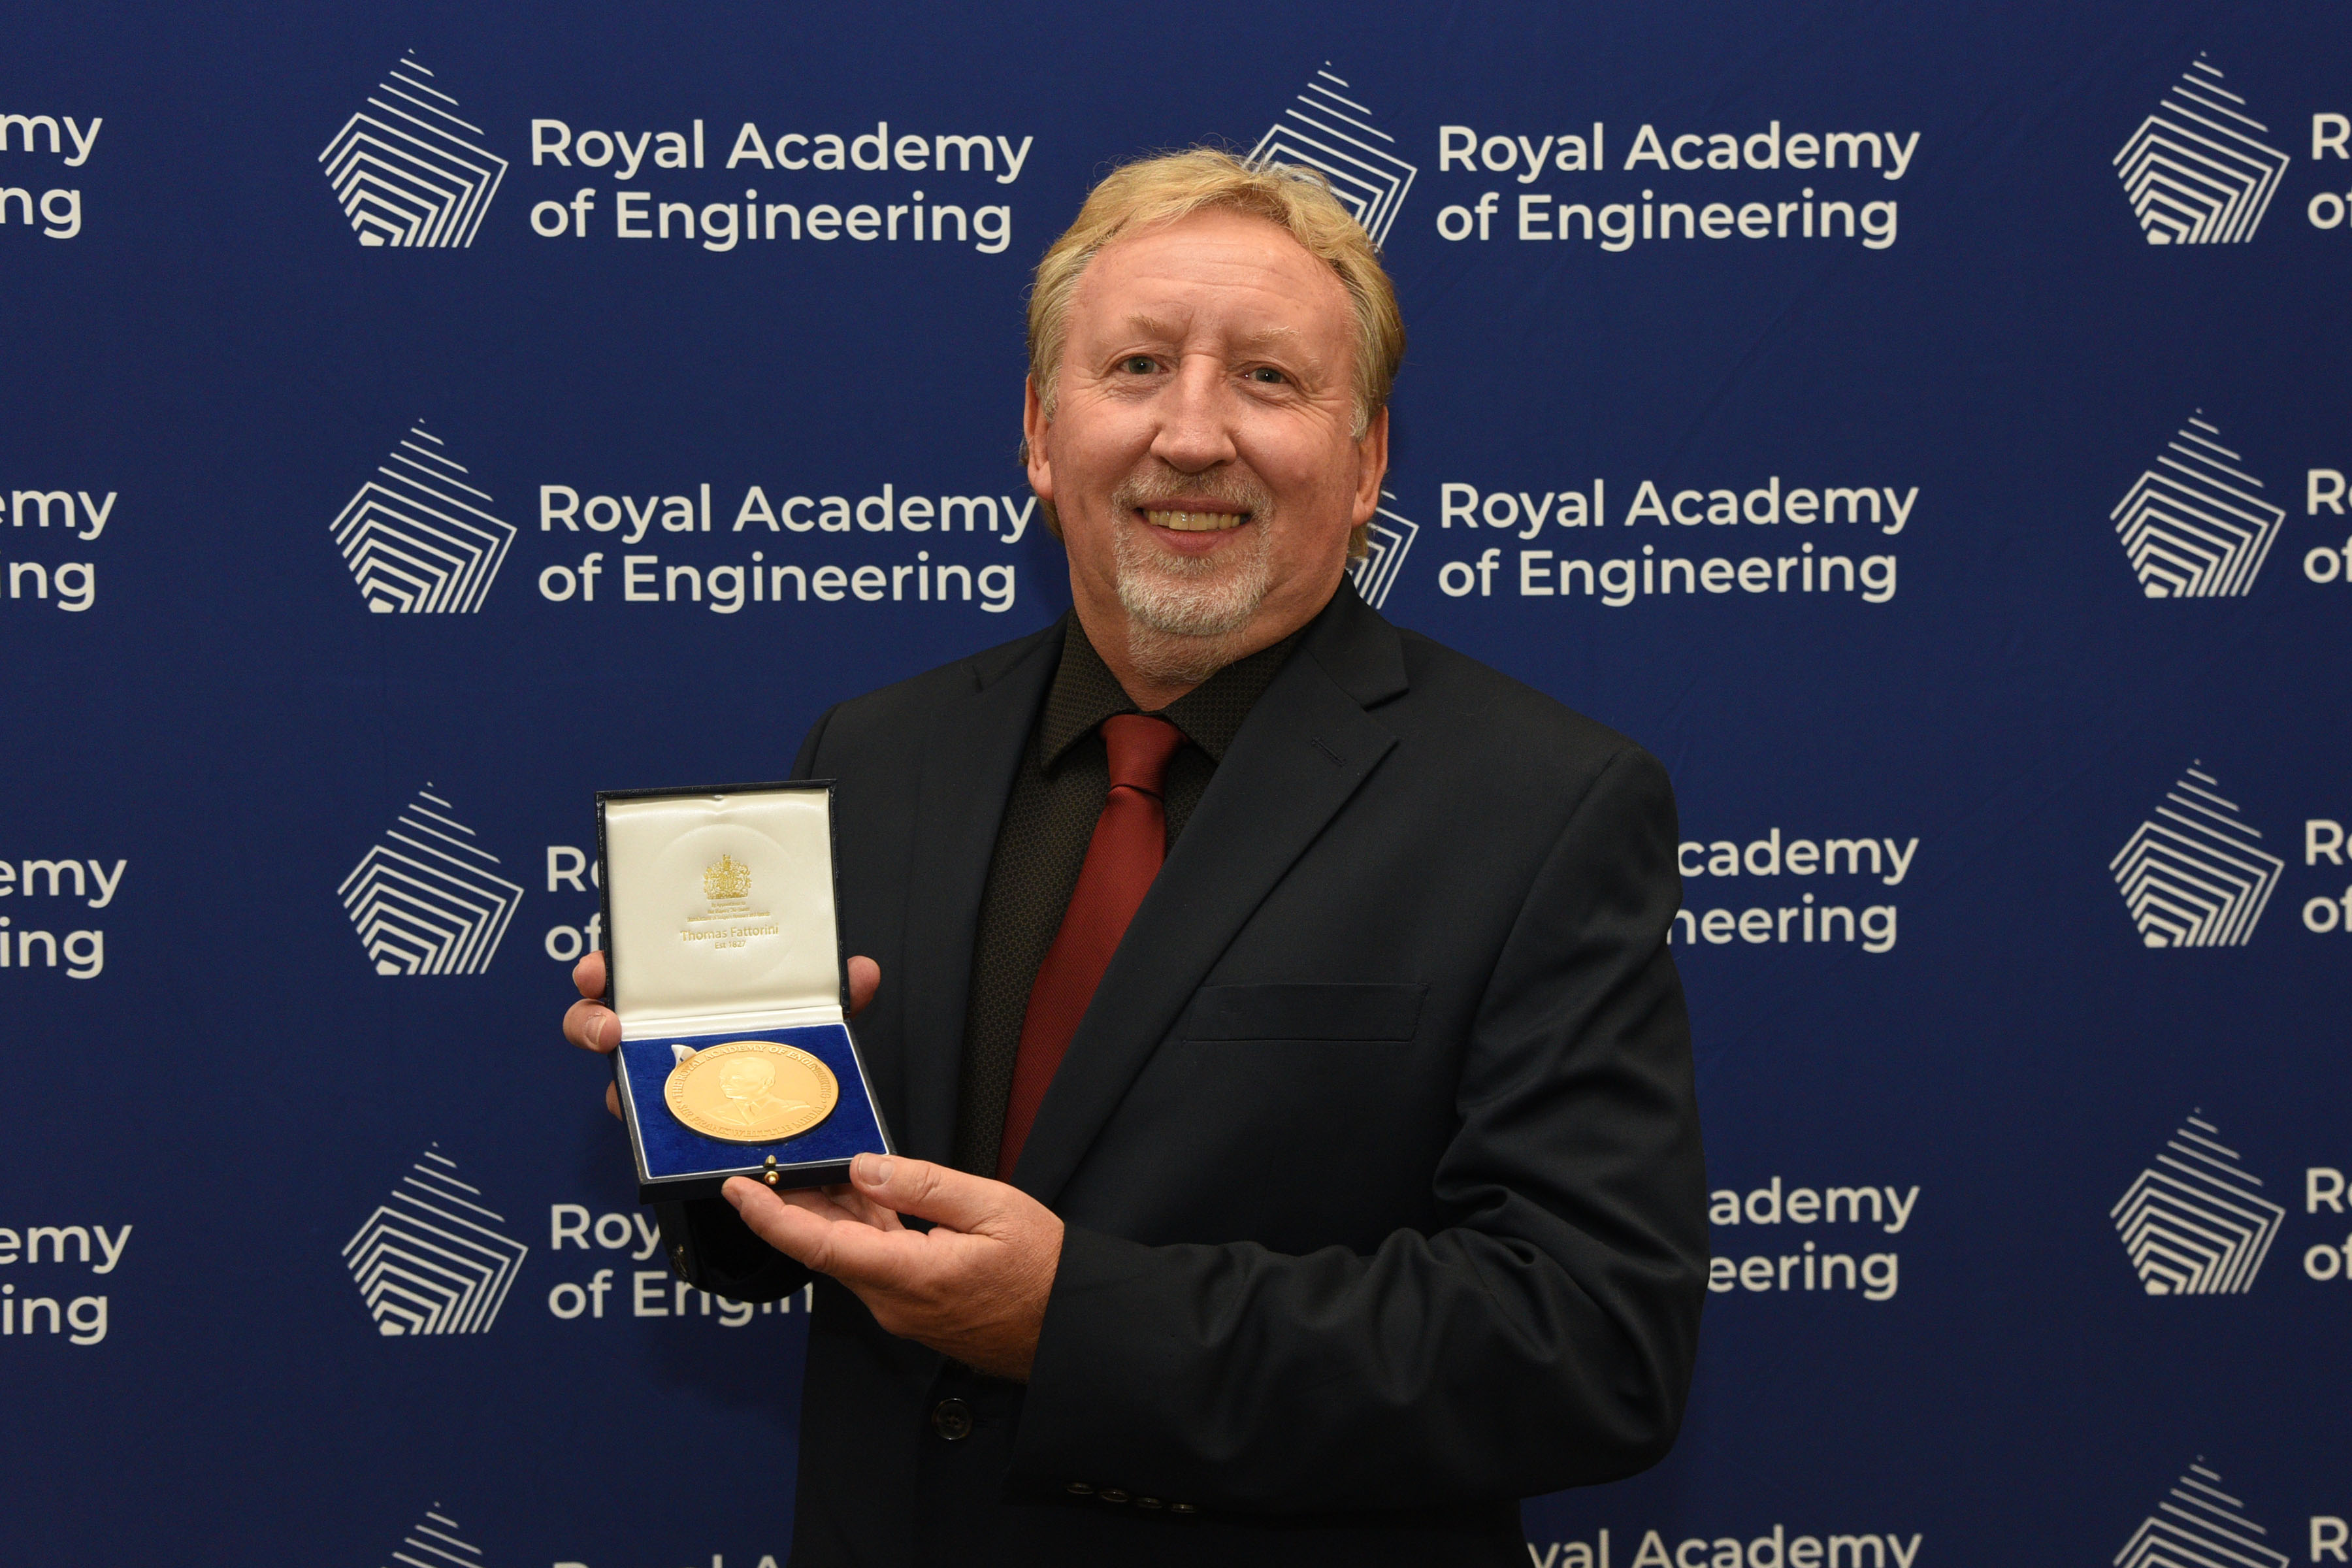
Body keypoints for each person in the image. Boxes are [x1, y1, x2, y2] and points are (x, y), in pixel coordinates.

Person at [564, 148, 1707, 1567]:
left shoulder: (1543, 803)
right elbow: (818, 1226)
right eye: (1139, 368)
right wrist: (726, 1140)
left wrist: (1075, 1328)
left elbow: (1590, 1341)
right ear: (1042, 433)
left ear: (1370, 465)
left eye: (1270, 381)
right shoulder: (875, 754)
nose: (1192, 434)